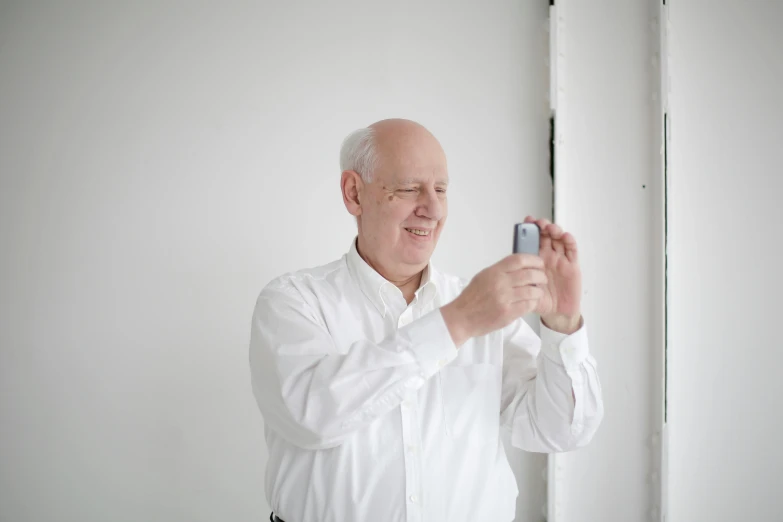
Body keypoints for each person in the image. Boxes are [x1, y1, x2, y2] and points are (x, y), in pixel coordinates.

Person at [249, 119, 604, 522]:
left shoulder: (483, 307)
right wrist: (458, 322)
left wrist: (562, 324)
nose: (433, 209)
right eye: (409, 188)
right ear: (354, 193)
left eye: (441, 190)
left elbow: (560, 430)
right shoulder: (292, 302)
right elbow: (311, 418)